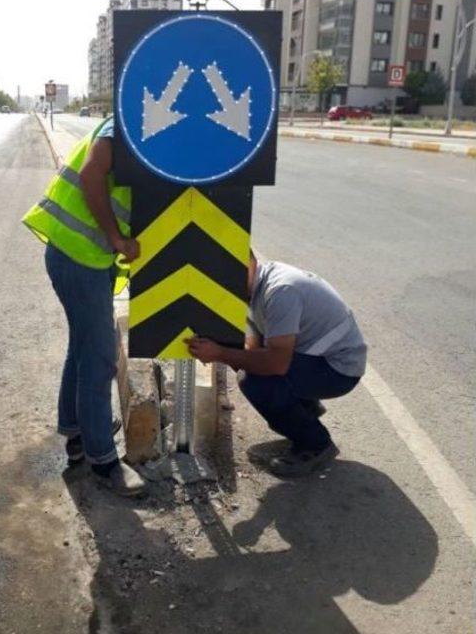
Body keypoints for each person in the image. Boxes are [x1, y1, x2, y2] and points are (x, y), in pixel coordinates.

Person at [23, 117, 146, 496]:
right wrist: (115, 237)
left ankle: (76, 431)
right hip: (78, 256)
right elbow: (94, 173)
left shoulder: (146, 124)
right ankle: (103, 460)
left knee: (82, 347)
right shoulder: (127, 122)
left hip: (86, 257)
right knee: (99, 356)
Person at [187, 256, 367, 478]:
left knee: (254, 382)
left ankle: (315, 444)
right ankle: (304, 411)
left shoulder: (280, 291)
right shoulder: (255, 289)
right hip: (316, 358)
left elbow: (275, 363)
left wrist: (221, 353)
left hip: (339, 369)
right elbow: (254, 346)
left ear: (250, 264)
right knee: (249, 364)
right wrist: (225, 352)